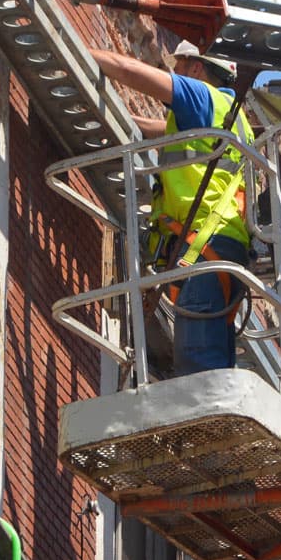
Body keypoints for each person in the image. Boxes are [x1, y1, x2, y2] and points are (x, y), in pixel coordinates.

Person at [88, 41, 255, 373]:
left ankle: (206, 426)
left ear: (196, 68)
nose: (174, 74)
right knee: (211, 360)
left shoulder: (202, 96)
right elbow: (157, 130)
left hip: (205, 243)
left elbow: (129, 70)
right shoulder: (233, 119)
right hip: (222, 244)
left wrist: (73, 45)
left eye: (178, 67)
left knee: (198, 365)